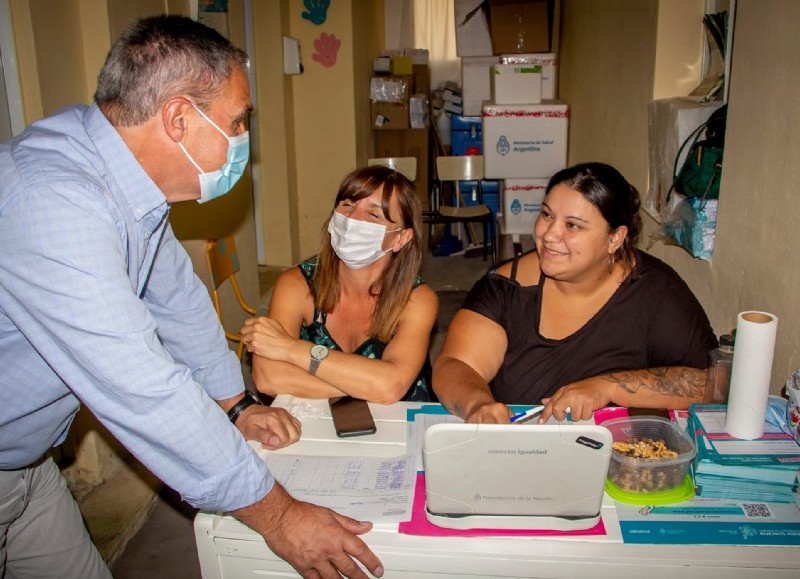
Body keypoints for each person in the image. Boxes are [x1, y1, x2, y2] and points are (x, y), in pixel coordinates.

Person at [0, 15, 383, 579]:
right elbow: (141, 388)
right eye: (237, 121)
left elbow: (177, 299)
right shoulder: (56, 202)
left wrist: (237, 406)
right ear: (178, 118)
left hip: (24, 463)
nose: (243, 141)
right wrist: (280, 517)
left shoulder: (119, 177)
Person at [433, 162, 717, 424]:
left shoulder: (657, 292)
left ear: (615, 238)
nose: (549, 234)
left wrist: (608, 387)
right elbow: (455, 365)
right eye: (546, 215)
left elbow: (712, 383)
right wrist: (477, 404)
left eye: (572, 225)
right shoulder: (506, 288)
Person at [242, 165, 438, 404]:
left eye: (373, 214)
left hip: (400, 424)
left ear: (400, 238)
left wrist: (289, 348)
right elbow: (267, 378)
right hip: (318, 420)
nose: (352, 218)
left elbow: (391, 387)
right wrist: (368, 385)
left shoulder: (417, 298)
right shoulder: (296, 284)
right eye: (347, 205)